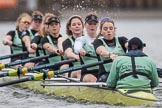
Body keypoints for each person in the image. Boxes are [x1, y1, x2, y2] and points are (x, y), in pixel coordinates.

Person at [93, 17, 128, 82]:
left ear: (114, 30)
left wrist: (135, 48)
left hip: (122, 73)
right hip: (106, 74)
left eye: (111, 28)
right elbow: (101, 51)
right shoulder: (97, 41)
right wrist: (109, 55)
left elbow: (129, 45)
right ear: (101, 31)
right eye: (105, 29)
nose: (108, 30)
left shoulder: (122, 39)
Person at [74, 12, 99, 82]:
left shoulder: (102, 39)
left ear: (98, 25)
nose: (92, 26)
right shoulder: (81, 39)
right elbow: (77, 47)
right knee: (92, 79)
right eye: (90, 24)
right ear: (85, 25)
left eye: (94, 24)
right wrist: (80, 50)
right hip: (87, 74)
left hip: (102, 72)